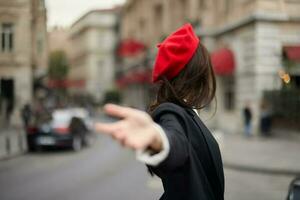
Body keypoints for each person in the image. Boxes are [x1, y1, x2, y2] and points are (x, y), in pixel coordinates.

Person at [95, 24, 224, 200]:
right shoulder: (171, 112)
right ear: (198, 72)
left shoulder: (188, 111)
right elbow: (174, 140)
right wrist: (159, 140)